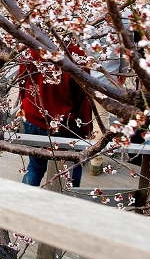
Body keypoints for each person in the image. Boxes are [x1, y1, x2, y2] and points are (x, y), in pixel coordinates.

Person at [18, 53, 93, 188]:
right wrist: (84, 132)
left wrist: (25, 104)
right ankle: (68, 201)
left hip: (32, 117)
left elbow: (22, 80)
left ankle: (22, 202)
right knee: (70, 169)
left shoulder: (33, 46)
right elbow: (82, 100)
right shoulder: (77, 56)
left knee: (35, 167)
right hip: (63, 125)